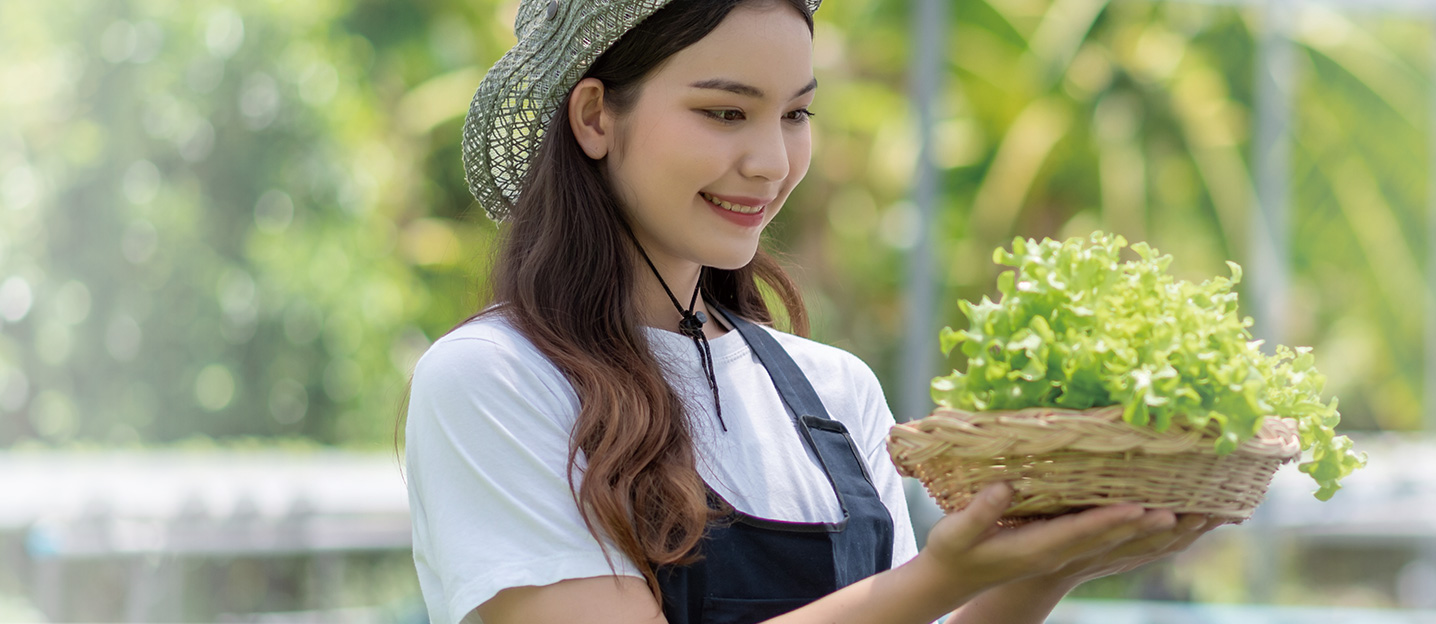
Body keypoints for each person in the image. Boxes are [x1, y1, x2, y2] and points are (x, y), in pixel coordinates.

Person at [401, 0, 1225, 623]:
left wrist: (1049, 566)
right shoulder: (495, 381)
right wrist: (944, 577)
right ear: (593, 117)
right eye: (725, 112)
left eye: (795, 114)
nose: (769, 162)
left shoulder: (835, 393)